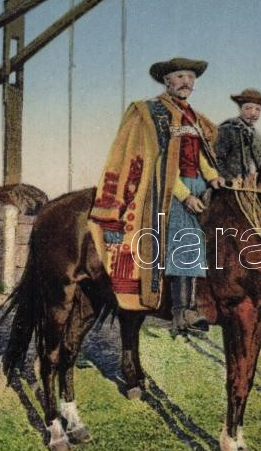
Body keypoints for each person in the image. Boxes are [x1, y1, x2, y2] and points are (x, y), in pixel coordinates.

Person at [89, 57, 223, 335]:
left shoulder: (193, 118)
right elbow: (161, 162)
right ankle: (181, 311)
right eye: (179, 76)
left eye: (190, 77)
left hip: (199, 183)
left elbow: (200, 156)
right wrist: (185, 196)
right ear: (166, 81)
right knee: (186, 234)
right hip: (167, 188)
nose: (186, 82)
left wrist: (213, 177)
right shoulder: (152, 112)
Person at [215, 88, 261, 182]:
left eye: (258, 109)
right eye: (248, 108)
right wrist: (230, 178)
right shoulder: (227, 129)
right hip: (230, 186)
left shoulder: (257, 135)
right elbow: (217, 159)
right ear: (240, 108)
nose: (253, 113)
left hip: (253, 185)